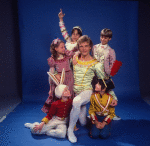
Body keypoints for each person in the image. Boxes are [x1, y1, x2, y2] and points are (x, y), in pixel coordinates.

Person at [67, 35, 107, 143]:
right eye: (81, 46)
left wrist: (106, 96)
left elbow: (104, 81)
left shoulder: (96, 63)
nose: (84, 48)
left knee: (76, 102)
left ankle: (69, 130)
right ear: (78, 48)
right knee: (83, 122)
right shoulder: (74, 59)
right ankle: (90, 117)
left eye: (86, 46)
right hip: (75, 91)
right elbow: (68, 73)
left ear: (90, 47)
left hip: (87, 91)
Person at [25, 69, 72, 138]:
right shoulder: (55, 104)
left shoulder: (71, 101)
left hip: (63, 122)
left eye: (67, 89)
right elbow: (50, 115)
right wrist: (42, 123)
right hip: (55, 120)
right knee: (36, 131)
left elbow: (72, 113)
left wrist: (73, 125)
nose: (68, 91)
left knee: (62, 134)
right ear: (61, 93)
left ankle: (47, 132)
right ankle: (33, 125)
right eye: (65, 90)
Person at [92, 28, 122, 120]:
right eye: (102, 37)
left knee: (107, 90)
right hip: (95, 75)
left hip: (104, 75)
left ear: (109, 39)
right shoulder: (94, 47)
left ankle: (112, 113)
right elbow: (92, 60)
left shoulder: (111, 51)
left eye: (105, 38)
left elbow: (112, 65)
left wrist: (108, 74)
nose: (103, 39)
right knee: (95, 93)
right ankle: (94, 112)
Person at [41, 38, 76, 113]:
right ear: (56, 49)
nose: (64, 48)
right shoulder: (52, 59)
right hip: (59, 79)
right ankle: (58, 113)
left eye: (64, 47)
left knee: (68, 94)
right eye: (62, 47)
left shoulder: (67, 55)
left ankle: (68, 113)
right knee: (59, 94)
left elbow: (75, 53)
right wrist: (50, 88)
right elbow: (51, 73)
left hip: (69, 78)